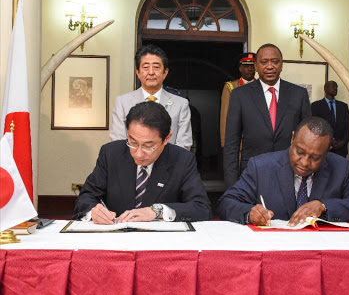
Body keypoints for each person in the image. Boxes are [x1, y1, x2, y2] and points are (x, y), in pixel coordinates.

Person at [217, 117, 349, 226]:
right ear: (292, 139)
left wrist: (324, 206)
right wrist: (249, 213)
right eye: (299, 152)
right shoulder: (261, 166)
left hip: (321, 252)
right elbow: (226, 203)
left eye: (315, 157)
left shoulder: (339, 167)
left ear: (327, 152)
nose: (305, 162)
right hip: (274, 251)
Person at [74, 101, 211, 224]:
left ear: (167, 138)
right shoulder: (110, 154)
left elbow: (201, 208)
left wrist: (158, 211)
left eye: (148, 146)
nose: (138, 153)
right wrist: (93, 212)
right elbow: (86, 197)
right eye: (133, 143)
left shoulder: (182, 160)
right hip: (116, 239)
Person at [223, 43, 312, 189]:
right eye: (264, 62)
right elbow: (231, 144)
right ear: (256, 66)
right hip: (252, 174)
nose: (270, 66)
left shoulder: (298, 94)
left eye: (275, 61)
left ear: (281, 65)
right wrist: (231, 185)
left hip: (290, 173)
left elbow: (307, 140)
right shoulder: (240, 95)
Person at [110, 44, 193, 150]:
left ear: (165, 73)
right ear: (138, 73)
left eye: (156, 67)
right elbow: (119, 142)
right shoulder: (122, 102)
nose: (151, 72)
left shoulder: (181, 104)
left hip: (169, 165)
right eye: (145, 67)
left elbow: (184, 144)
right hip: (133, 165)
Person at [220, 52, 257, 148]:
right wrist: (225, 143)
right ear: (240, 68)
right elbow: (225, 117)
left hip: (259, 142)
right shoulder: (231, 87)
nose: (250, 68)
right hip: (238, 142)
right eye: (246, 66)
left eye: (252, 66)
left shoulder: (262, 86)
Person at [311, 80, 349, 157]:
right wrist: (329, 141)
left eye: (336, 87)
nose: (335, 88)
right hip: (322, 148)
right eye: (333, 86)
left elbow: (348, 126)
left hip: (340, 150)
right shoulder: (316, 106)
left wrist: (343, 142)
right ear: (325, 88)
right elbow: (314, 126)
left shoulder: (343, 106)